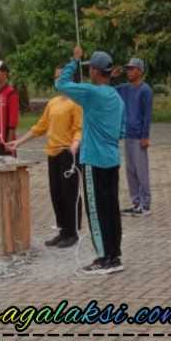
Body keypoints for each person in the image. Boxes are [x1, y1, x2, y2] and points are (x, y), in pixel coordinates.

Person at [55, 46, 127, 273]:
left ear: (96, 71)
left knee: (96, 209)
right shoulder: (117, 97)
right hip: (112, 159)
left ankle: (105, 257)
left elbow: (61, 84)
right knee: (111, 208)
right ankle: (114, 254)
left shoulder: (92, 93)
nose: (89, 73)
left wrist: (74, 61)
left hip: (95, 161)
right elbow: (122, 131)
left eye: (90, 69)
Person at [8, 78, 83, 248]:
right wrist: (19, 142)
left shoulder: (76, 102)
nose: (57, 81)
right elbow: (40, 126)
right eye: (55, 78)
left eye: (61, 77)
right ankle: (63, 230)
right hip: (53, 153)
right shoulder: (53, 102)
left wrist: (75, 144)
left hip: (68, 153)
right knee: (56, 193)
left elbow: (80, 127)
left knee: (69, 193)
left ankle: (73, 232)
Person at [116, 58, 154, 216]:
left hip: (139, 136)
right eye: (128, 69)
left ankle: (145, 204)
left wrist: (145, 136)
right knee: (130, 171)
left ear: (140, 70)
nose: (129, 71)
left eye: (132, 69)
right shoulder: (125, 88)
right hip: (128, 135)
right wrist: (113, 76)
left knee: (141, 171)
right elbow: (107, 89)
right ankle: (136, 202)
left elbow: (147, 115)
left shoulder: (145, 90)